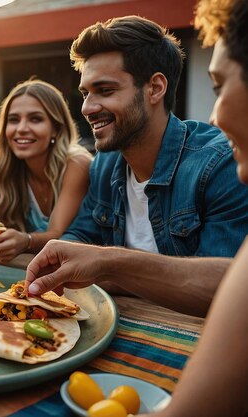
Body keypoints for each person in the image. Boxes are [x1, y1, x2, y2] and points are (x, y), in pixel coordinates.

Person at [25, 14, 248, 317]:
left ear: (155, 88)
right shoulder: (105, 163)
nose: (87, 108)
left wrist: (110, 264)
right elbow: (79, 238)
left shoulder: (220, 164)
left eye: (105, 90)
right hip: (115, 322)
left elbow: (229, 292)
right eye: (85, 93)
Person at [145, 1, 248, 415]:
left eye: (219, 86)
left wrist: (106, 263)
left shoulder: (212, 163)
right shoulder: (107, 167)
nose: (214, 116)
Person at [0, 79, 92, 265]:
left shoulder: (76, 164)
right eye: (13, 120)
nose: (21, 129)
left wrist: (25, 242)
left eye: (35, 119)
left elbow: (57, 235)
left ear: (56, 128)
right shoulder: (5, 169)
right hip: (38, 267)